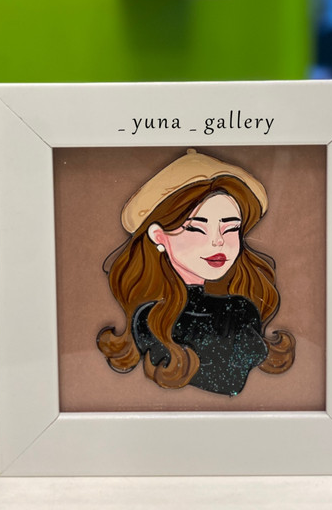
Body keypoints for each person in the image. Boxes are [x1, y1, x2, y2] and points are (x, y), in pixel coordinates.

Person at [97, 149, 295, 396]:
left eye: (231, 228)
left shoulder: (242, 311)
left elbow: (232, 381)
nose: (217, 241)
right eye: (196, 229)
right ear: (159, 236)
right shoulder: (151, 320)